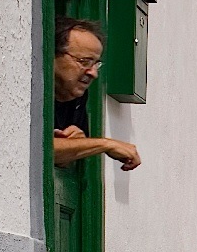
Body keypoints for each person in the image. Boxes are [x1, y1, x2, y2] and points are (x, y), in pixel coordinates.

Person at [52, 17, 141, 170]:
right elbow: (36, 148)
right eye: (84, 61)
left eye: (96, 64)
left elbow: (63, 159)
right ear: (53, 55)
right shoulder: (30, 91)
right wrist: (105, 144)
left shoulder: (78, 97)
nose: (93, 73)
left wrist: (75, 145)